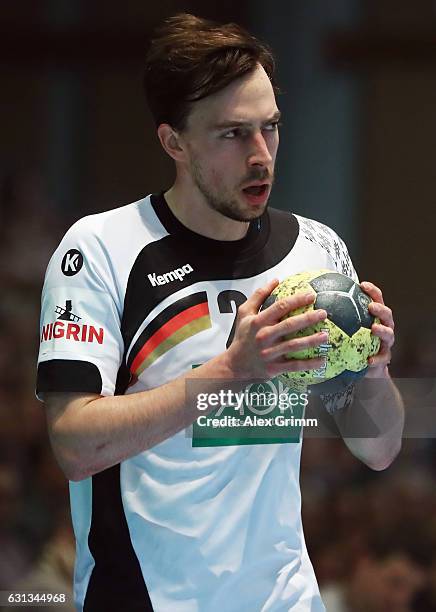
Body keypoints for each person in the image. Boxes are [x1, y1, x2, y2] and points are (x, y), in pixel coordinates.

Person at [36, 13, 404, 612]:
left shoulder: (315, 252)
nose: (261, 155)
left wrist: (375, 371)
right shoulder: (102, 249)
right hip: (146, 598)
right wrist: (232, 371)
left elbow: (379, 447)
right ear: (173, 141)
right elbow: (75, 446)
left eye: (271, 128)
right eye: (233, 134)